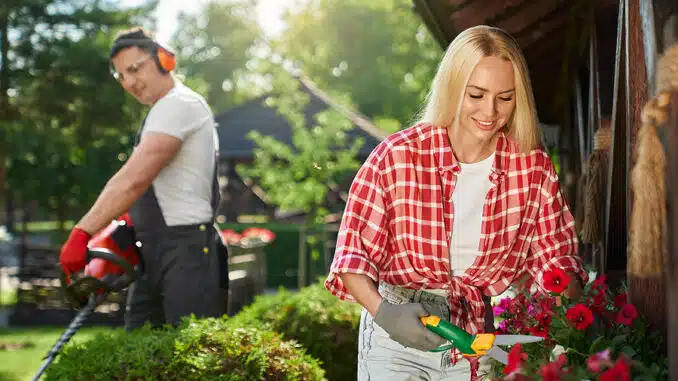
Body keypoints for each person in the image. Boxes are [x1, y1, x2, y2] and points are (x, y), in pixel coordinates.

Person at [324, 25, 587, 380]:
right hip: (396, 329)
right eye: (475, 95)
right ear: (452, 87)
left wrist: (567, 309)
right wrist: (385, 313)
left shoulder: (532, 167)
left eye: (505, 98)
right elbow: (353, 255)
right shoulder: (398, 156)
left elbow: (556, 258)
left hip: (474, 335)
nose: (490, 111)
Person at [58, 27, 227, 330]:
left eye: (136, 69)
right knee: (141, 343)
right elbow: (156, 187)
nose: (130, 82)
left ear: (164, 60)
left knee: (189, 351)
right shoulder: (163, 111)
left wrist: (82, 232)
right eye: (122, 76)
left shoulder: (180, 104)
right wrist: (121, 229)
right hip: (155, 248)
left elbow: (135, 178)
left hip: (187, 249)